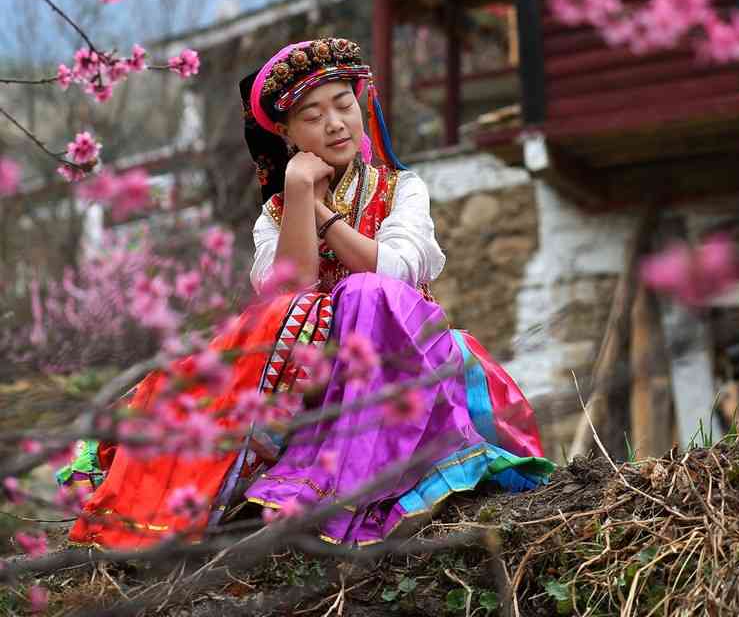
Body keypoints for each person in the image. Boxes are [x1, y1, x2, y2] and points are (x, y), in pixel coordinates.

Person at [65, 38, 552, 549]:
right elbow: (284, 292)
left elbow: (389, 270)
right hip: (320, 377)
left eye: (344, 105)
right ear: (289, 135)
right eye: (313, 116)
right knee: (270, 321)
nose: (335, 123)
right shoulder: (274, 214)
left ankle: (353, 484)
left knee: (365, 293)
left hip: (407, 357)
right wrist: (299, 194)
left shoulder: (402, 189)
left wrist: (325, 216)